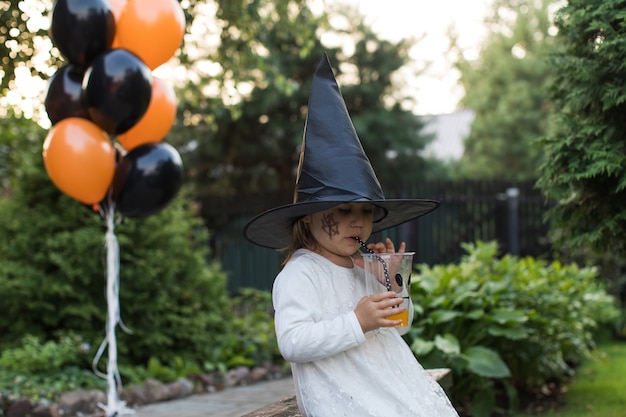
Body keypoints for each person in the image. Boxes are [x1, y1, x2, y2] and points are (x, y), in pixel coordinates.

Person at [243, 54, 459, 416]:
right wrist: (356, 321)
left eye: (366, 212)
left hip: (395, 394)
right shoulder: (300, 273)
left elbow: (400, 328)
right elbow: (292, 341)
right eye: (343, 211)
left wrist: (392, 280)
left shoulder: (363, 268)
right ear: (308, 217)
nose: (357, 222)